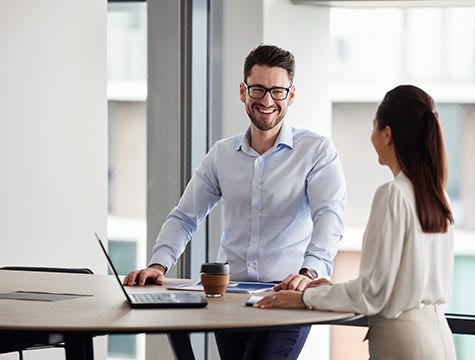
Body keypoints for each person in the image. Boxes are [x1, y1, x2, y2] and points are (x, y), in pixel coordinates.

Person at [123, 44, 346, 360]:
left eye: (278, 91)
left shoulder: (316, 152)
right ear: (243, 92)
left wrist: (308, 274)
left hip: (285, 297)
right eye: (258, 89)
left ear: (291, 96)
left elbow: (330, 218)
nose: (267, 101)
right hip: (229, 298)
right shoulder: (222, 155)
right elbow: (185, 216)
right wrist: (158, 264)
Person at [257, 85, 457, 359]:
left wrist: (305, 298)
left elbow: (372, 294)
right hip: (438, 339)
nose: (371, 134)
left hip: (403, 344)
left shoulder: (393, 194)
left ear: (387, 134)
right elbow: (386, 285)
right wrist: (333, 290)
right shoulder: (437, 196)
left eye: (374, 125)